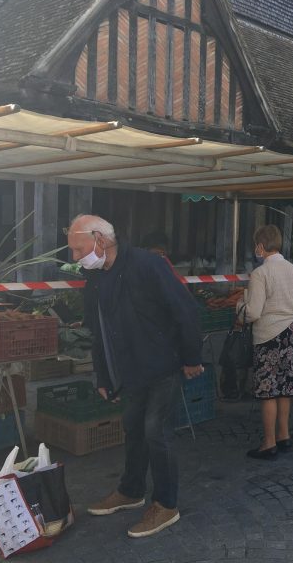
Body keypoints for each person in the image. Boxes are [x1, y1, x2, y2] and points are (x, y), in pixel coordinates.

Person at [68, 215, 203, 538]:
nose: (75, 258)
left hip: (162, 365)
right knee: (133, 428)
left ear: (99, 239)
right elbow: (98, 330)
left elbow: (184, 309)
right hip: (130, 372)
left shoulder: (148, 265)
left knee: (156, 431)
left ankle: (166, 504)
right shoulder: (97, 277)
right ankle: (130, 490)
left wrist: (191, 357)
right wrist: (103, 375)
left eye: (78, 249)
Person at [237, 225, 293, 459]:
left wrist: (240, 305)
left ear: (261, 246)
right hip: (291, 335)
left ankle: (269, 443)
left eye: (255, 245)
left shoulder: (260, 274)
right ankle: (284, 435)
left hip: (269, 336)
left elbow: (253, 313)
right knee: (285, 389)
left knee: (268, 391)